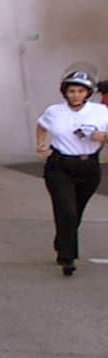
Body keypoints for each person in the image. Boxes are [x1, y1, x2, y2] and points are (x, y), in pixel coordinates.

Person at [35, 69, 108, 276]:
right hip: (60, 166)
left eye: (80, 91)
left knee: (75, 212)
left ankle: (62, 240)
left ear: (87, 93)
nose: (75, 95)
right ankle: (68, 257)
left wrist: (103, 136)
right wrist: (40, 144)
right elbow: (41, 125)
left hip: (88, 166)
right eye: (71, 91)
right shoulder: (54, 111)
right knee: (66, 209)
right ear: (65, 92)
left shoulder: (101, 111)